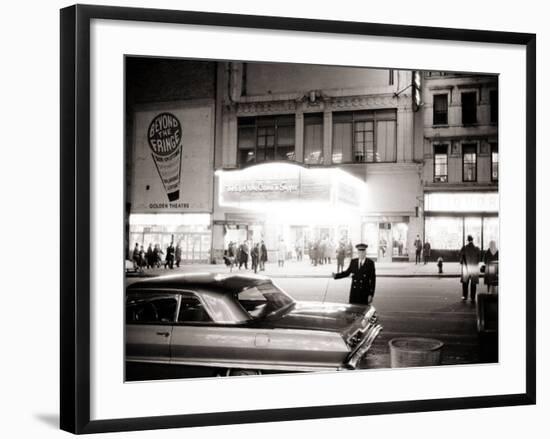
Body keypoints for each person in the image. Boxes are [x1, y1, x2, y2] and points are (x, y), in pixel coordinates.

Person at [459, 235, 481, 303]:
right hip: (474, 267)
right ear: (472, 240)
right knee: (473, 283)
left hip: (466, 267)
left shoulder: (464, 248)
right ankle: (472, 297)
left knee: (465, 283)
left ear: (467, 240)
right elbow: (479, 259)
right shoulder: (477, 249)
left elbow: (461, 260)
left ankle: (465, 296)